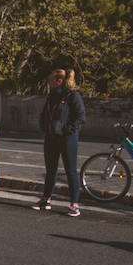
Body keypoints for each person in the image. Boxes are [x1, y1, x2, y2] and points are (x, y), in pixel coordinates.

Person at [33, 68, 86, 217]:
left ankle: (74, 204)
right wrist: (44, 125)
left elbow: (80, 116)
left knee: (70, 170)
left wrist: (67, 129)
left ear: (59, 81)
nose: (49, 84)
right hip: (51, 136)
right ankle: (46, 199)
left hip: (67, 137)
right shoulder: (51, 96)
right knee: (51, 170)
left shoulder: (72, 96)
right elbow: (45, 113)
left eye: (51, 81)